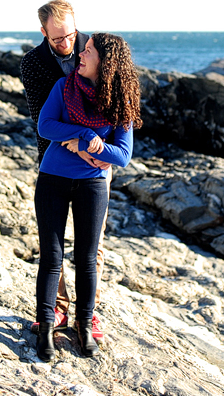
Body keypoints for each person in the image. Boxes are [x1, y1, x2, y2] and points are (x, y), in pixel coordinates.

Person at [33, 32, 142, 361]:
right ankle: (47, 326)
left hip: (93, 184)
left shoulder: (121, 101)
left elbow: (122, 155)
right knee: (52, 258)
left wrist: (90, 148)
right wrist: (84, 134)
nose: (81, 53)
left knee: (87, 258)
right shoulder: (63, 88)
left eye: (89, 50)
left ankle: (83, 324)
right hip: (52, 178)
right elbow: (45, 126)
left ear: (105, 62)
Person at [20, 1, 110, 341]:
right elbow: (42, 117)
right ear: (43, 32)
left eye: (71, 34)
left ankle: (88, 312)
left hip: (97, 164)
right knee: (52, 243)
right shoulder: (32, 63)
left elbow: (116, 103)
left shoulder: (96, 49)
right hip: (55, 160)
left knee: (93, 244)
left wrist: (102, 152)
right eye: (57, 38)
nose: (67, 42)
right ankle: (56, 308)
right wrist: (80, 142)